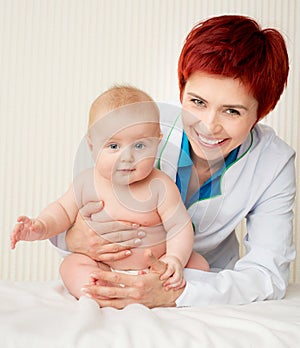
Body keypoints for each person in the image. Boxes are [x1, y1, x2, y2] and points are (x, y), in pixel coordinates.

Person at [51, 15, 296, 308]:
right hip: (115, 268)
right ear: (182, 91)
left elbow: (268, 274)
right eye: (197, 102)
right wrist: (74, 238)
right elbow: (77, 204)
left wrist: (177, 293)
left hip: (199, 283)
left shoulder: (274, 163)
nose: (208, 125)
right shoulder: (144, 129)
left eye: (232, 111)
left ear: (262, 112)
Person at [11, 85, 209, 299]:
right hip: (103, 266)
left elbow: (179, 226)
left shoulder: (161, 186)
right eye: (113, 146)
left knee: (199, 265)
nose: (127, 157)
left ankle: (155, 290)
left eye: (140, 146)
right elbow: (61, 210)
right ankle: (100, 292)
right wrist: (40, 226)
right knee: (71, 265)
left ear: (157, 141)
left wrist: (174, 259)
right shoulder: (87, 182)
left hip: (153, 270)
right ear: (91, 146)